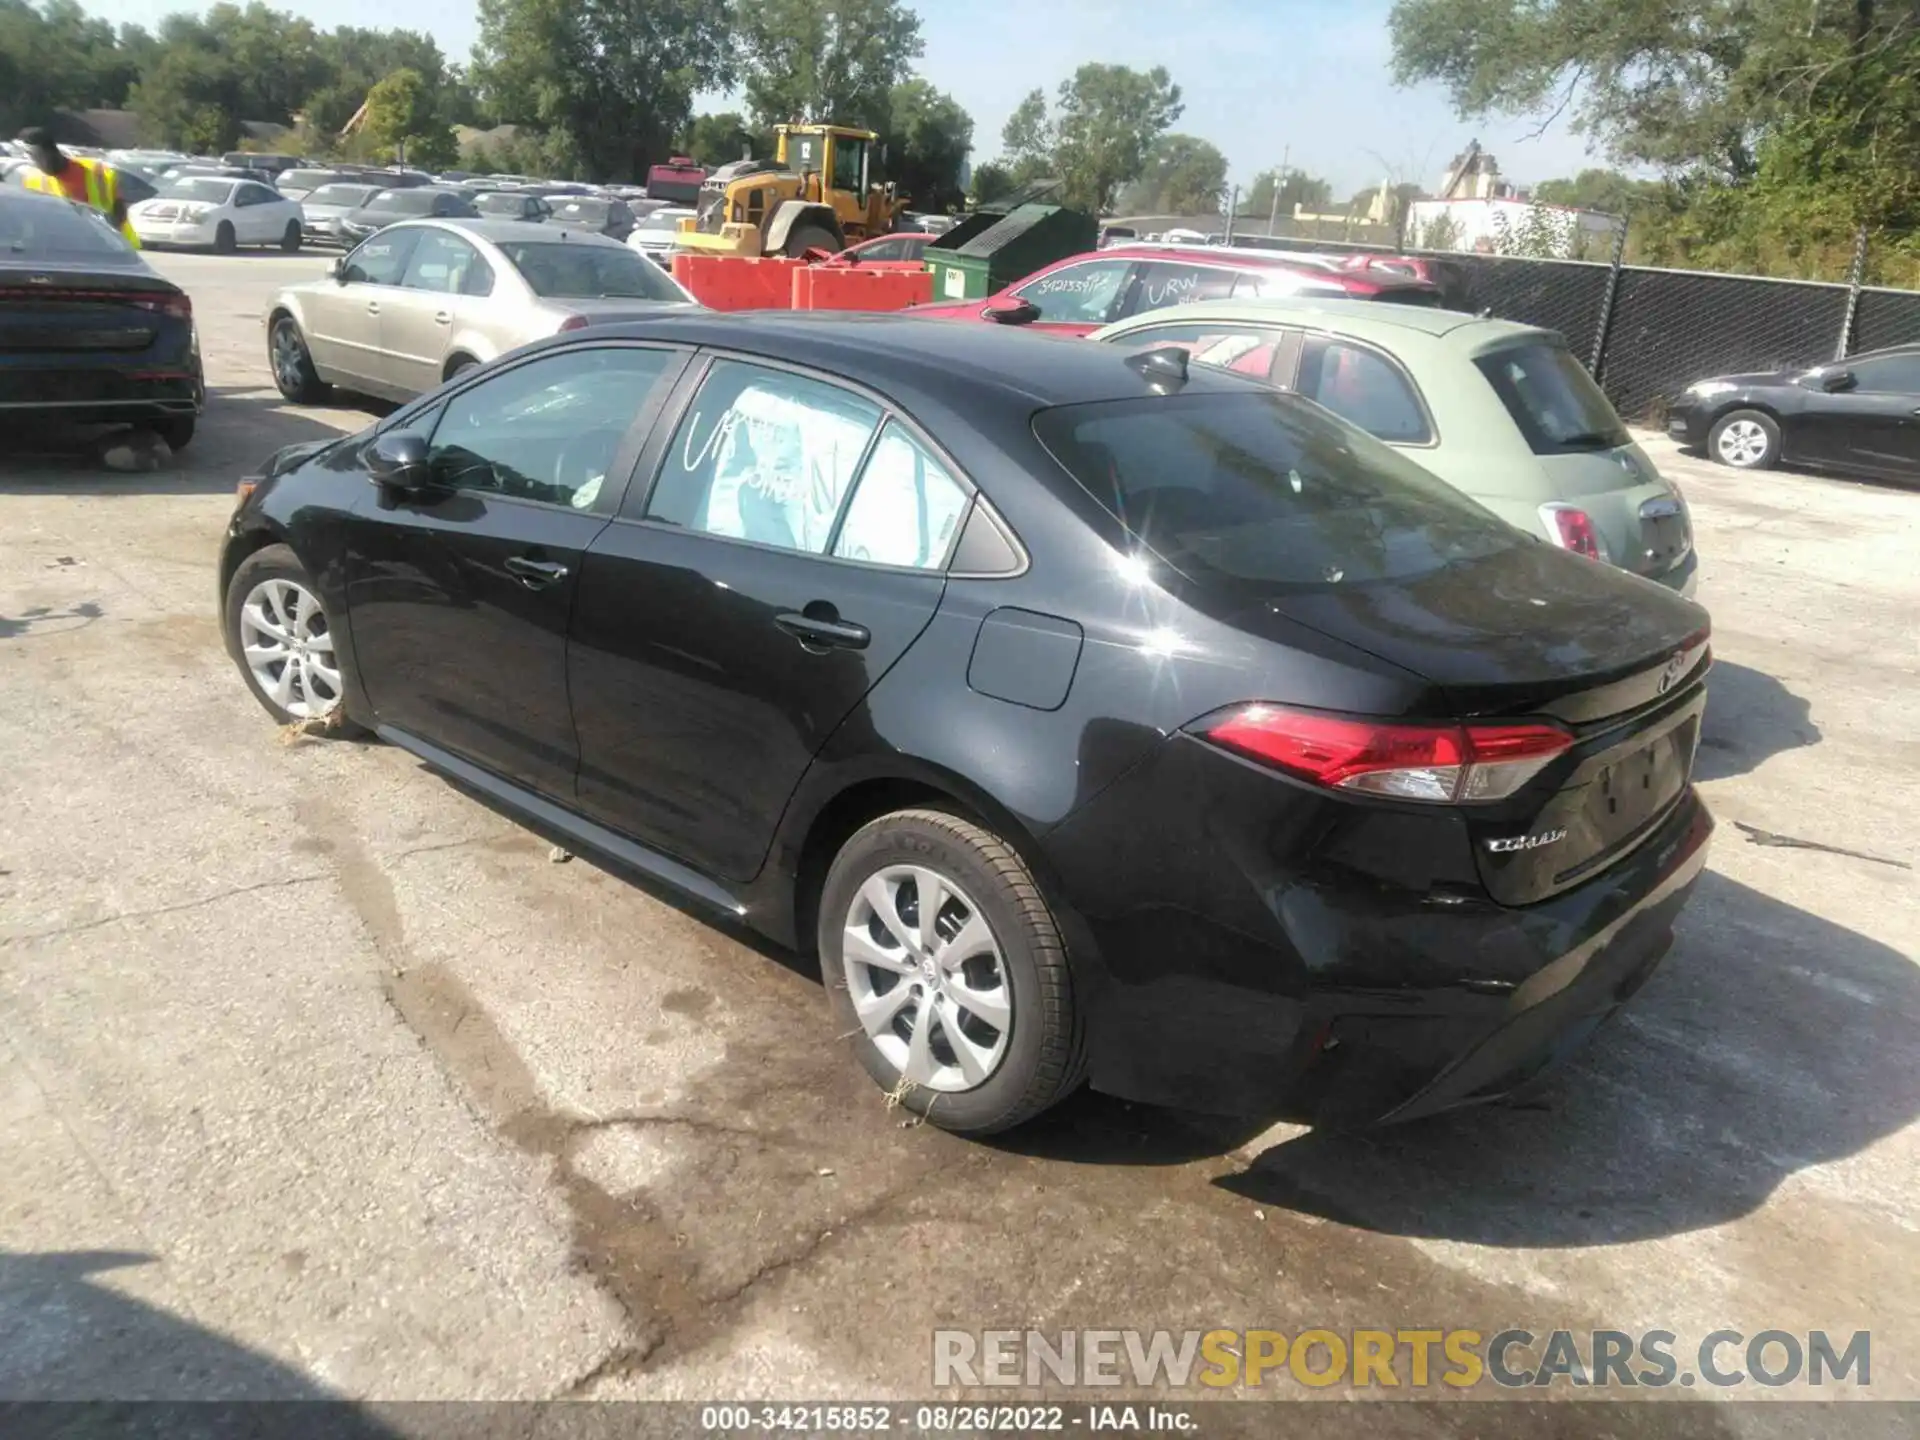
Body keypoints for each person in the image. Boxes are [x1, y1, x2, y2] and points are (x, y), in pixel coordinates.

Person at [15, 126, 140, 248]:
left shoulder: (98, 171)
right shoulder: (33, 180)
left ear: (51, 151)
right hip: (66, 250)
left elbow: (119, 212)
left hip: (112, 248)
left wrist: (109, 238)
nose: (36, 164)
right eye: (30, 158)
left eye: (36, 157)